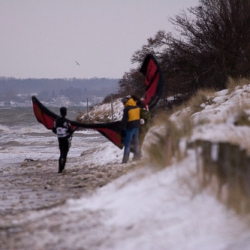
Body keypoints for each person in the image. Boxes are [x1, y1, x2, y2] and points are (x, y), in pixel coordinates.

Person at [52, 107, 73, 173]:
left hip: (59, 138)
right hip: (65, 138)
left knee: (61, 153)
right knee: (65, 153)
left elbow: (53, 129)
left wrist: (59, 133)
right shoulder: (66, 121)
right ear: (65, 112)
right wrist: (69, 134)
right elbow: (70, 130)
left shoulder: (56, 120)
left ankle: (59, 169)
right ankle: (62, 168)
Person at [121, 95, 141, 163]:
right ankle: (137, 156)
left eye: (123, 103)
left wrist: (123, 129)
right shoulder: (137, 107)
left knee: (127, 144)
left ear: (125, 102)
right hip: (137, 127)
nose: (123, 104)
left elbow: (124, 120)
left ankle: (125, 160)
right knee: (136, 143)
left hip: (130, 128)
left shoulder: (127, 109)